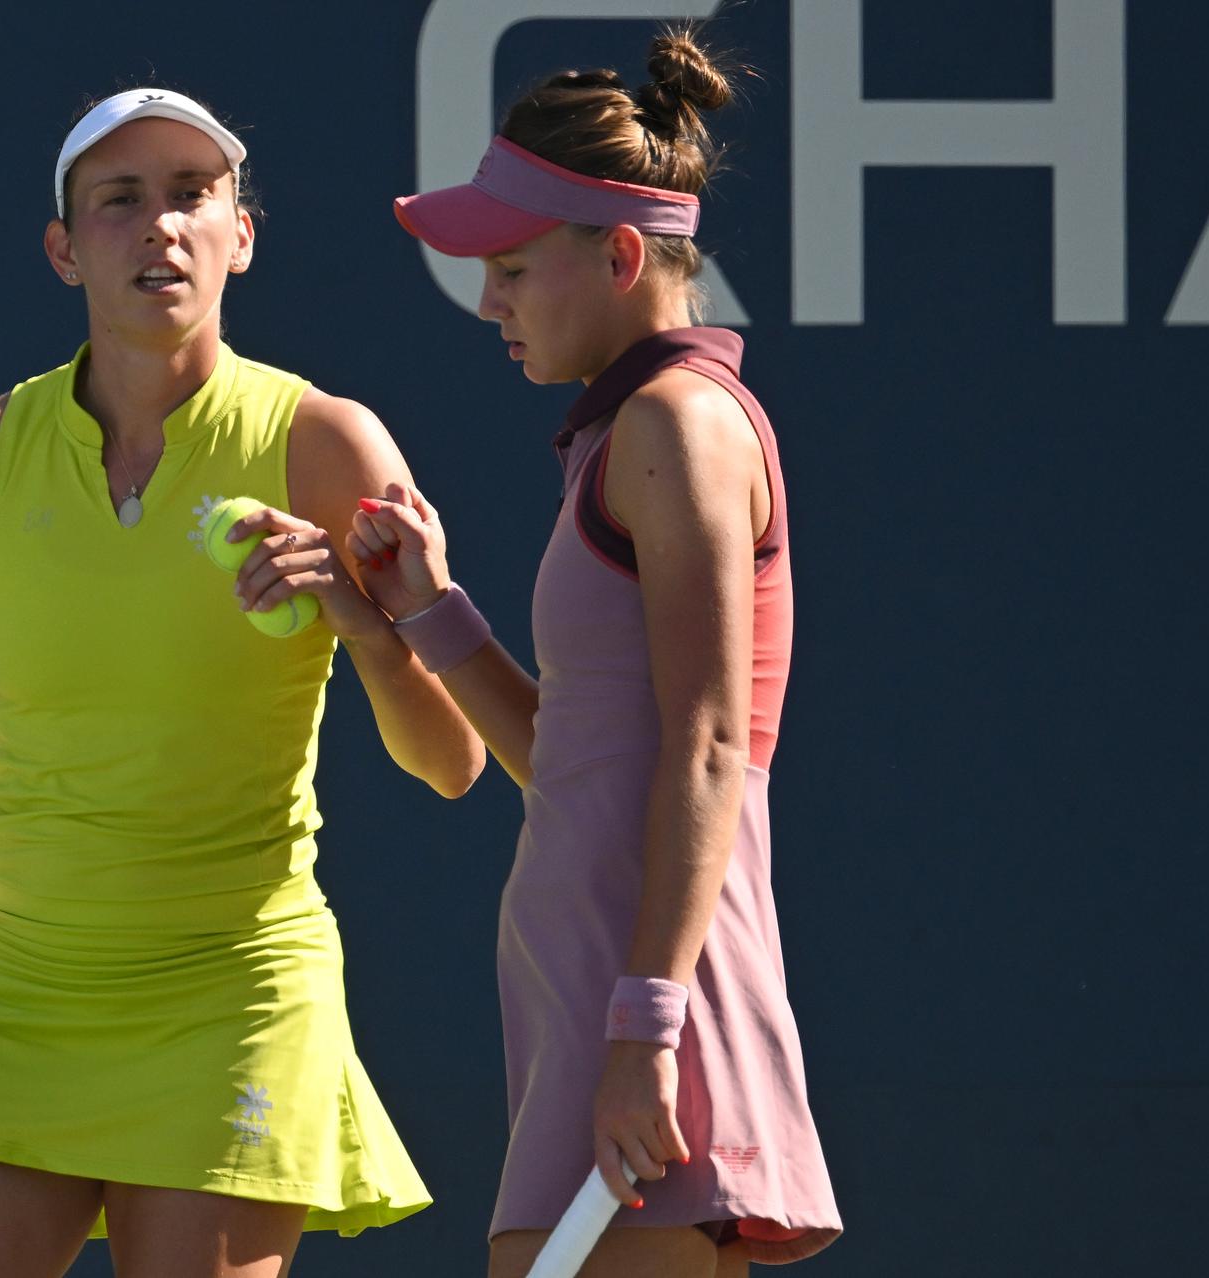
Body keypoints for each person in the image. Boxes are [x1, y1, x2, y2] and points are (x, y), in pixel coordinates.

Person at [0, 86, 483, 1278]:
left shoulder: (327, 444)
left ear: (242, 236)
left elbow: (453, 763)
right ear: (67, 251)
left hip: (235, 995)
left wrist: (363, 624)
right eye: (120, 202)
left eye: (192, 196)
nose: (160, 227)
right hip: (17, 995)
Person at [362, 27, 842, 1277]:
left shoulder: (677, 428)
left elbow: (708, 746)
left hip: (646, 1004)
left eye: (514, 268)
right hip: (607, 994)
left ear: (623, 256)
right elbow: (573, 760)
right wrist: (432, 611)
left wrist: (647, 1029)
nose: (490, 301)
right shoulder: (629, 433)